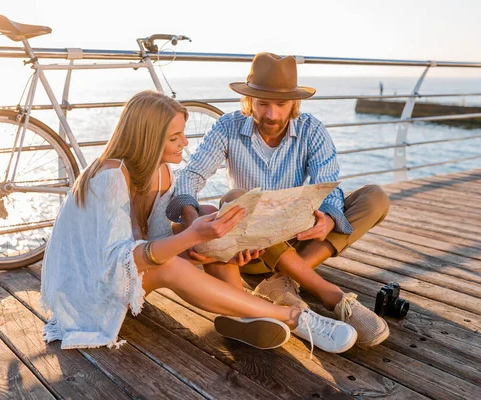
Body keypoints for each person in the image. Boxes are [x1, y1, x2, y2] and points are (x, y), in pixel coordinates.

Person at [40, 90, 357, 356]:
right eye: (175, 137)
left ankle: (245, 314)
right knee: (174, 261)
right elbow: (126, 259)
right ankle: (293, 316)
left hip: (123, 277)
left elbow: (160, 241)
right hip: (87, 296)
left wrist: (220, 246)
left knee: (210, 213)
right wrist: (193, 237)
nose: (185, 144)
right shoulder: (110, 178)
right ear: (148, 139)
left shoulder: (162, 174)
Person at [166, 53, 391, 347]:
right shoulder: (227, 127)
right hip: (249, 251)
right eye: (262, 104)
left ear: (294, 104)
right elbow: (190, 175)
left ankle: (287, 280)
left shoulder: (312, 129)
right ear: (249, 101)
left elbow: (329, 185)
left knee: (375, 197)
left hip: (297, 238)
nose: (271, 115)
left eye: (281, 105)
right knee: (236, 198)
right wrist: (194, 226)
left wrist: (329, 219)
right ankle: (326, 292)